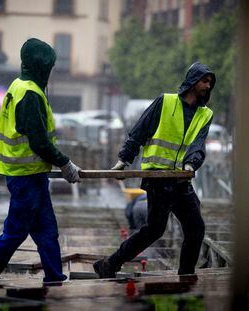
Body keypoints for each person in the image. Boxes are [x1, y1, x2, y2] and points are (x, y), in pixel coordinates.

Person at [0, 38, 81, 287]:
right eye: (49, 68)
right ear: (41, 67)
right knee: (14, 234)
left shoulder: (18, 86)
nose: (51, 74)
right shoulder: (30, 95)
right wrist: (65, 163)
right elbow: (39, 143)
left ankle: (54, 278)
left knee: (47, 231)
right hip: (25, 177)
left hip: (30, 176)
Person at [93, 62, 215, 278]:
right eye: (204, 81)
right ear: (193, 81)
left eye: (210, 83)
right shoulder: (165, 102)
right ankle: (110, 264)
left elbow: (198, 144)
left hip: (181, 180)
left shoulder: (205, 114)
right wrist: (124, 159)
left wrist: (191, 164)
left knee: (195, 228)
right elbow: (140, 131)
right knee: (155, 230)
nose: (208, 86)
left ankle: (186, 276)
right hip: (158, 179)